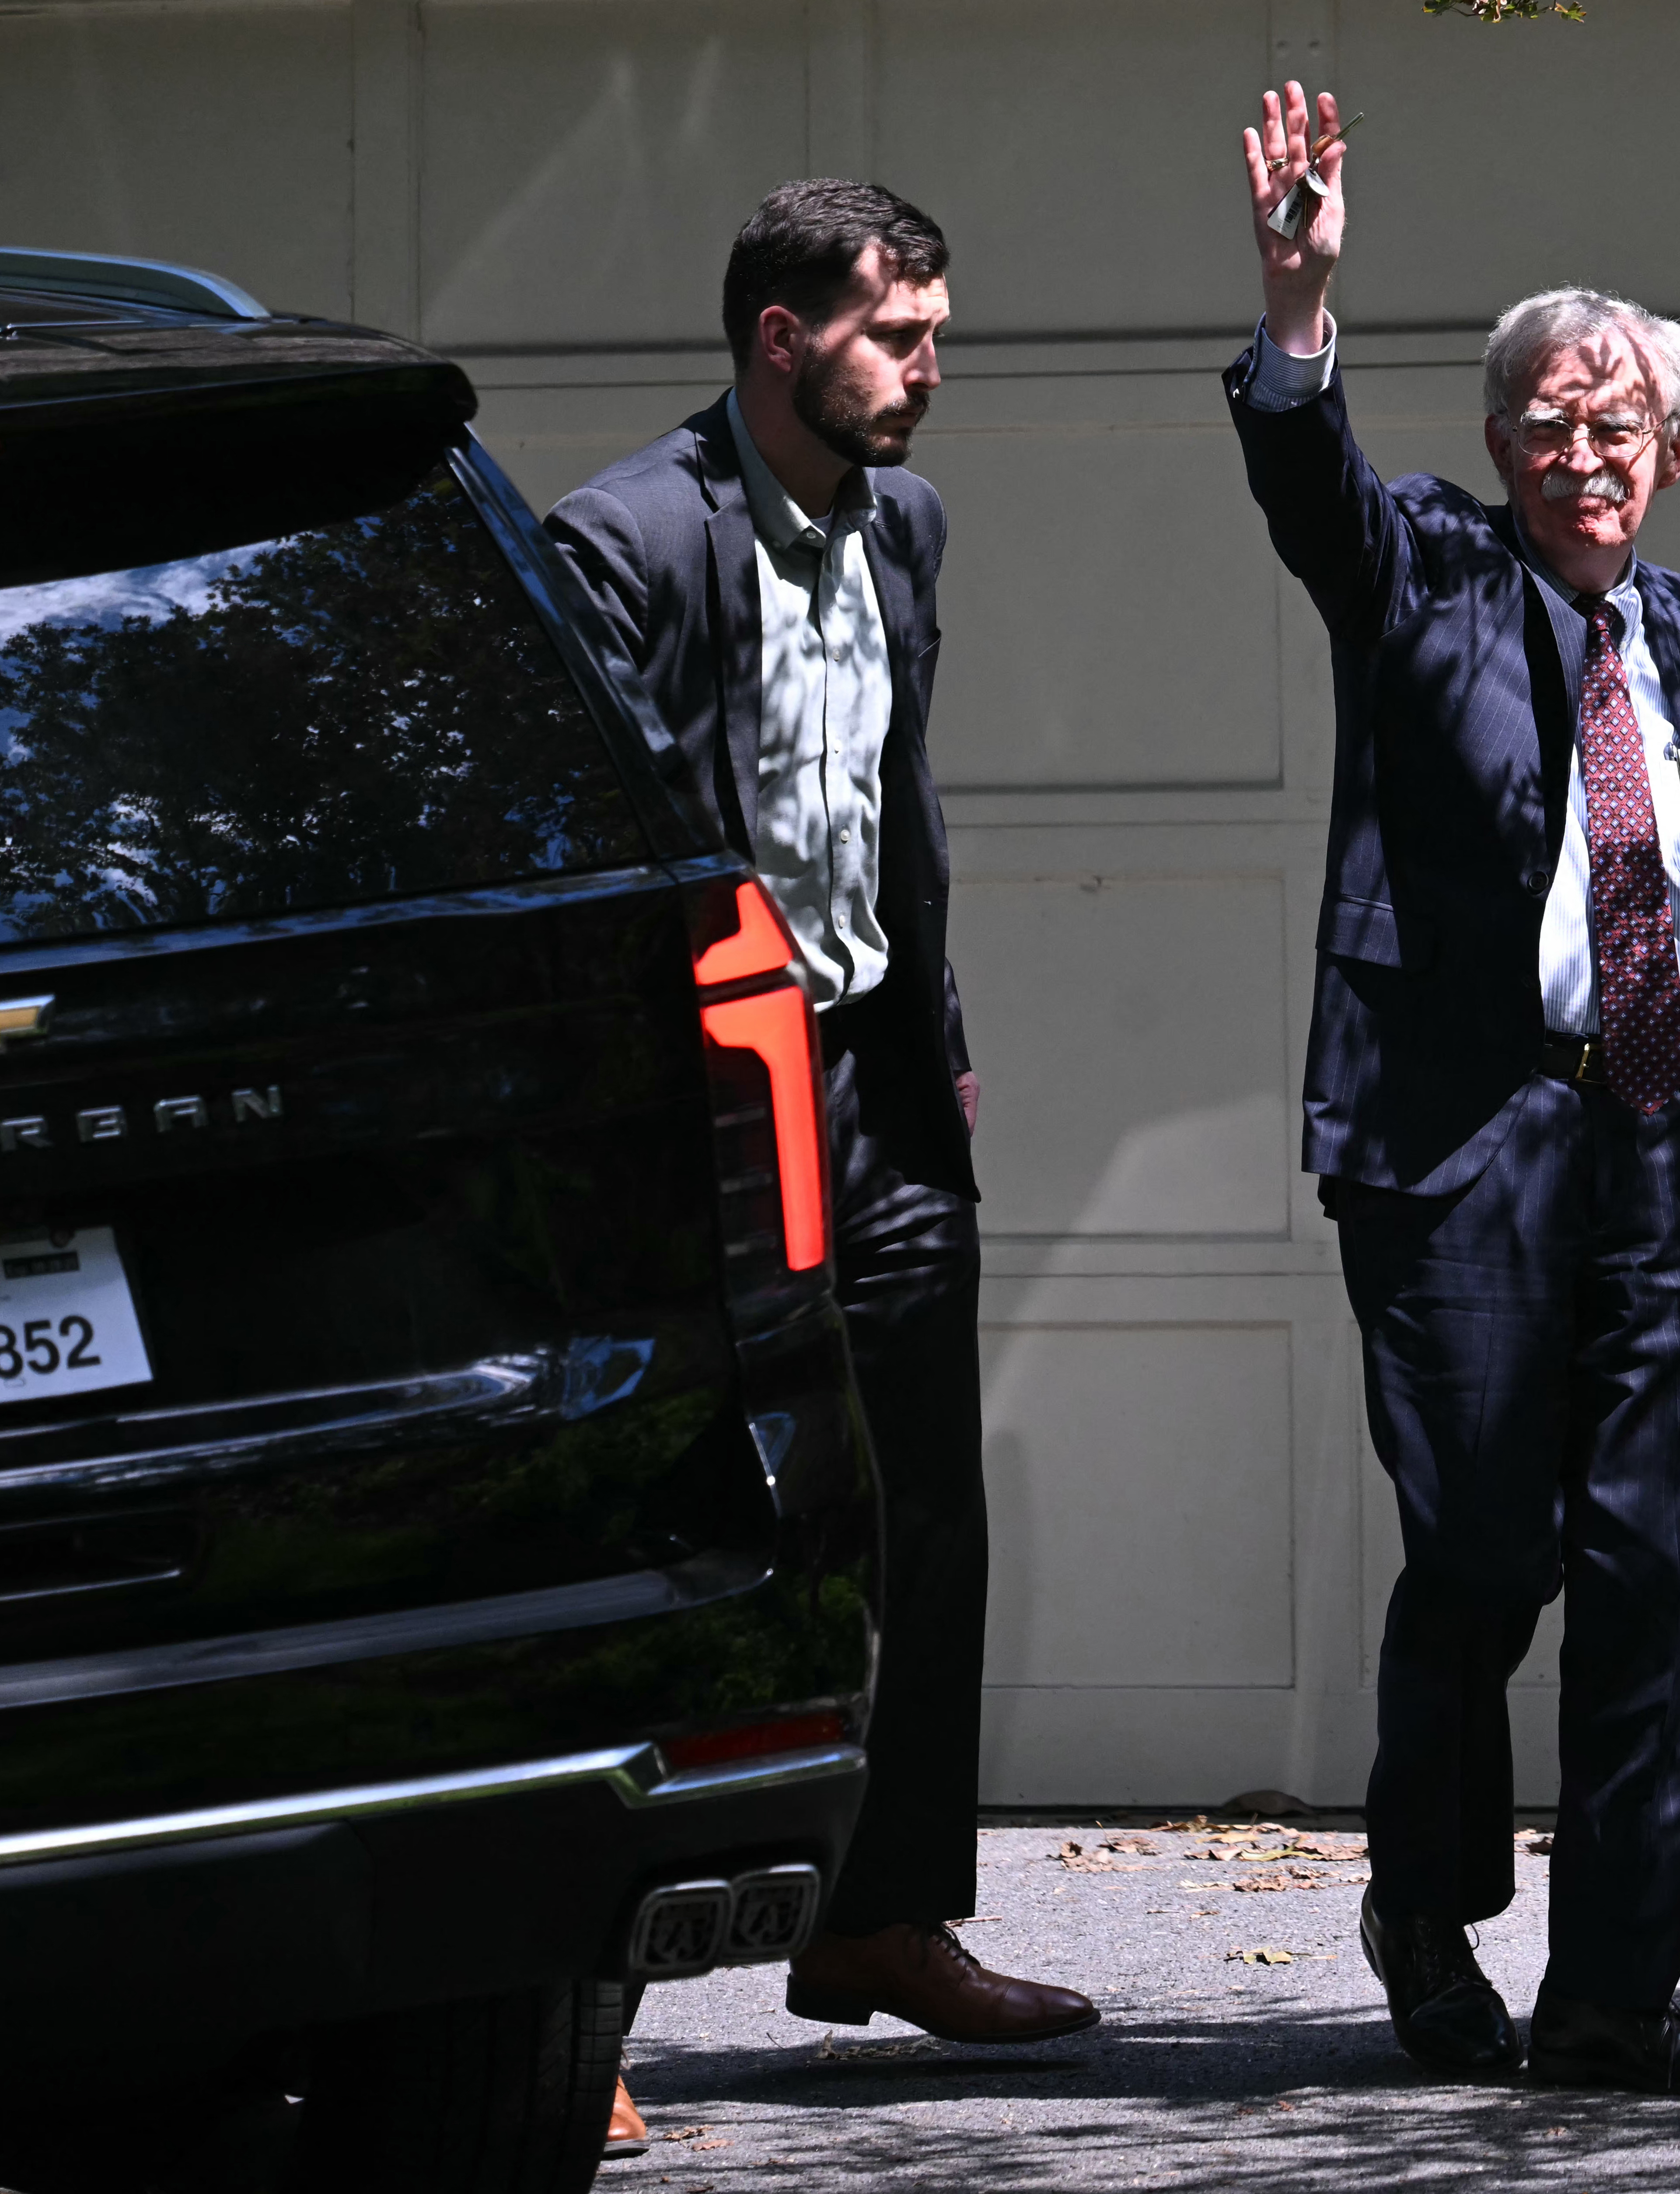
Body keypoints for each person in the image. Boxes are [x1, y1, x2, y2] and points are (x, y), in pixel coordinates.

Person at [1226, 85, 1680, 2096]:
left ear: (1677, 449)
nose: (1589, 457)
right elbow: (1310, 485)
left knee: (1659, 1580)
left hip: (1664, 1152)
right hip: (1458, 1151)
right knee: (1488, 1553)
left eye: (1622, 426)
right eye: (1552, 427)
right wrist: (1299, 306)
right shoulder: (1422, 569)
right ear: (1503, 446)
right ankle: (1425, 1904)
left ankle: (1610, 2003)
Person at [546, 184, 1098, 2109]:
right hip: (703, 1093)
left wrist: (935, 1038)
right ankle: (571, 2013)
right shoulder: (627, 540)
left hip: (878, 1077)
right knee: (669, 1521)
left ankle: (879, 1916)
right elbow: (606, 860)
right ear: (783, 339)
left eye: (938, 331)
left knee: (922, 1509)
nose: (931, 367)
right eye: (899, 333)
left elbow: (886, 802)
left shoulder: (907, 526)